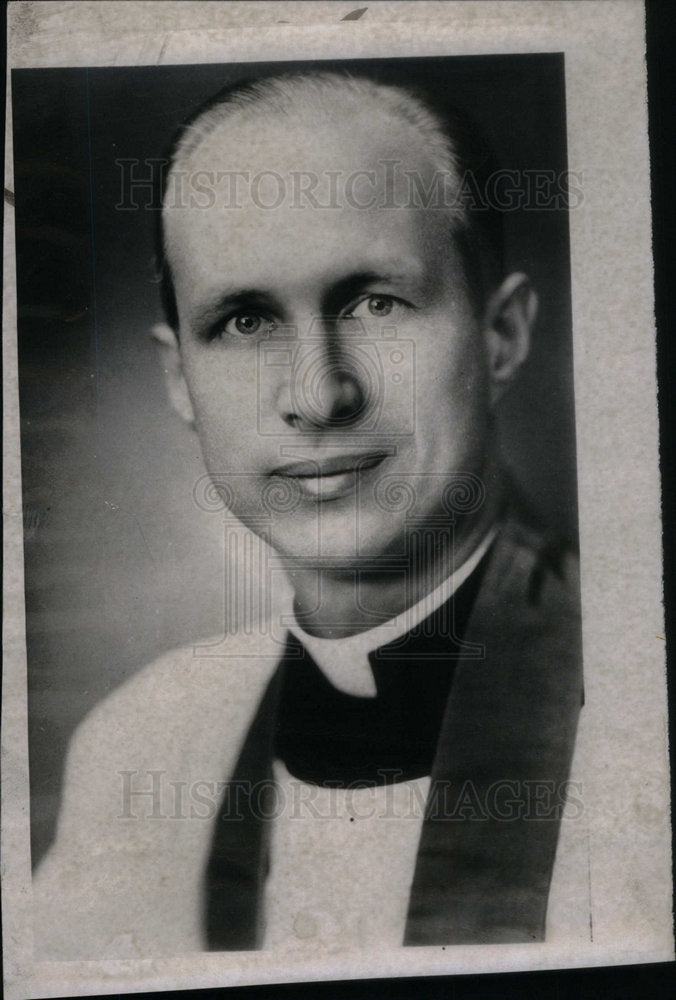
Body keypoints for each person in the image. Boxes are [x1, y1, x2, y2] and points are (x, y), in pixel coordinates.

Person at [32, 70, 584, 958]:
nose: (319, 395)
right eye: (246, 322)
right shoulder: (141, 745)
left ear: (502, 335)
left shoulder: (637, 701)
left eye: (375, 302)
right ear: (181, 379)